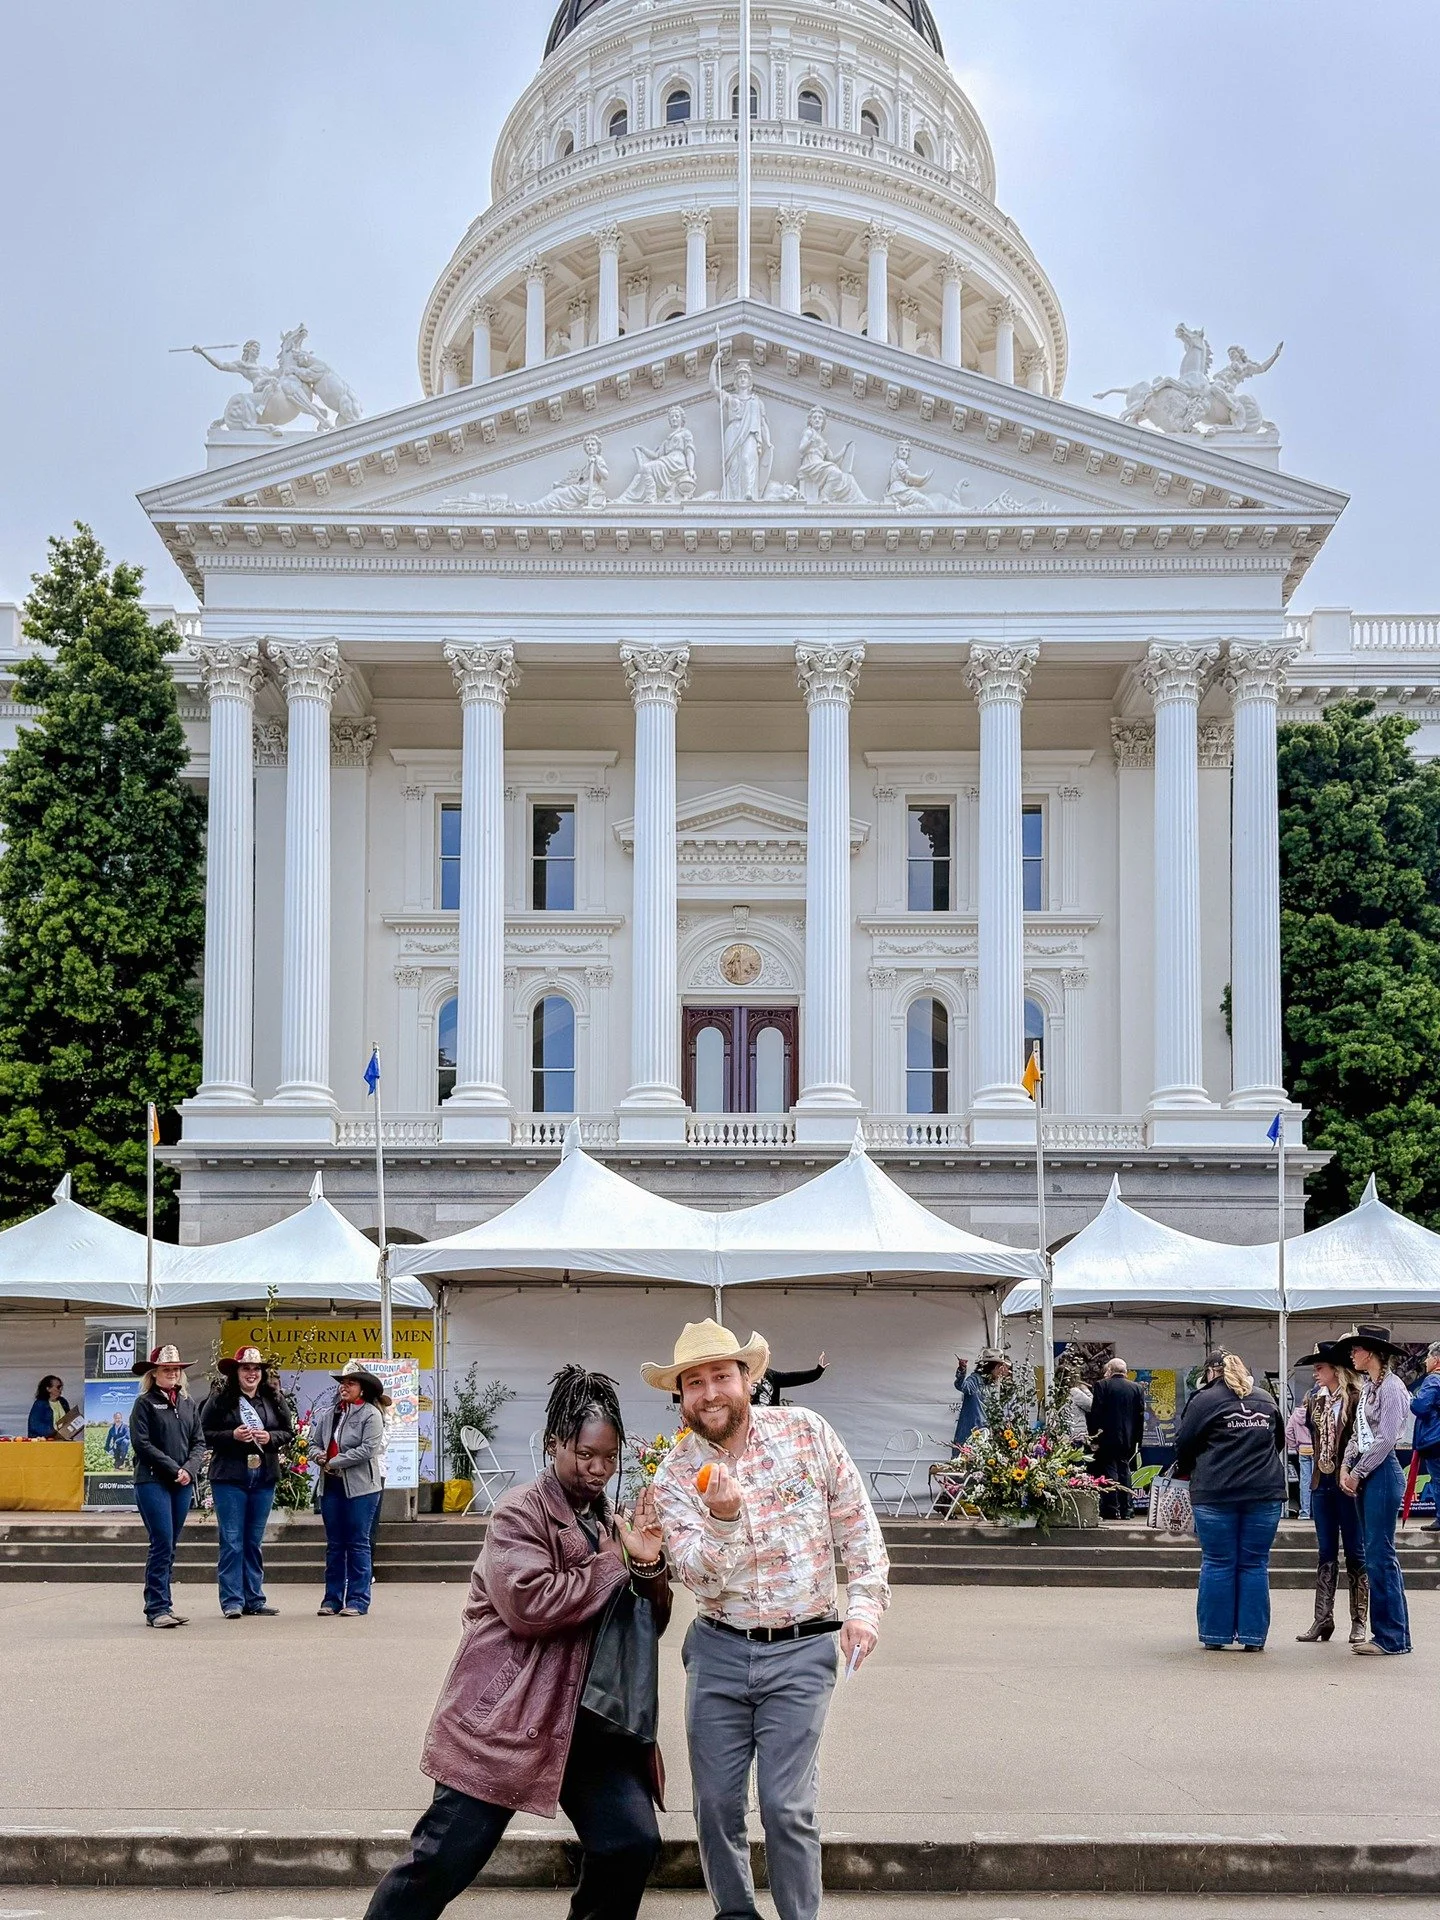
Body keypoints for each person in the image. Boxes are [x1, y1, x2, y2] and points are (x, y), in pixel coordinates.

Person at [362, 1365, 670, 1920]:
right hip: (505, 1719)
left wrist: (648, 1566)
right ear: (555, 1444)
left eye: (609, 1457)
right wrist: (614, 1564)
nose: (598, 1469)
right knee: (439, 1864)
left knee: (630, 1842)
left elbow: (647, 1624)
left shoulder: (607, 1522)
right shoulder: (519, 1512)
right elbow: (531, 1605)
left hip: (589, 1720)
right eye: (585, 1454)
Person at [646, 1319, 890, 1920]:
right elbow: (698, 1579)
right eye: (693, 1382)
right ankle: (734, 1914)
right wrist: (724, 1519)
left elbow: (858, 1529)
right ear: (680, 1395)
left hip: (804, 1647)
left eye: (720, 1376)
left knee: (786, 1808)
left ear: (748, 1378)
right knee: (716, 1806)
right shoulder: (675, 1475)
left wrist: (863, 1610)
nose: (708, 1393)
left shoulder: (807, 1433)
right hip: (718, 1651)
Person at [1174, 1350, 1284, 1651]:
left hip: (1215, 1492)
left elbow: (1183, 1445)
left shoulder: (1204, 1400)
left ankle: (1215, 1636)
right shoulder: (1265, 1399)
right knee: (1255, 1564)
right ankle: (1252, 1637)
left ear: (1211, 1372)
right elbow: (1279, 1443)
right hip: (1264, 1492)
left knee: (1218, 1562)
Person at [201, 1345, 294, 1620]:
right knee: (232, 1541)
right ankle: (232, 1600)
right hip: (230, 1476)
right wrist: (232, 1436)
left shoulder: (273, 1398)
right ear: (236, 1372)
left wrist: (270, 1438)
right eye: (246, 1368)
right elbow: (203, 1434)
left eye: (256, 1369)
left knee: (253, 1541)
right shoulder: (220, 1399)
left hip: (263, 1475)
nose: (252, 1373)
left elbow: (287, 1431)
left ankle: (254, 1598)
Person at [1337, 1324, 1413, 1656]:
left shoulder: (1392, 1389)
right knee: (1376, 1555)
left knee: (1380, 1555)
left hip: (1381, 1473)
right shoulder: (1370, 1387)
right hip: (1368, 1471)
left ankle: (1391, 1637)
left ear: (1371, 1353)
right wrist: (1345, 1464)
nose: (1352, 1354)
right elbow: (1359, 1431)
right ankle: (1392, 1634)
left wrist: (1357, 1471)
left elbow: (1386, 1439)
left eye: (1356, 1349)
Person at [1294, 1341, 1367, 1646]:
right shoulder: (1314, 1400)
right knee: (1326, 1551)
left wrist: (1353, 1473)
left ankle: (1359, 1620)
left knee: (1355, 1550)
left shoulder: (1355, 1397)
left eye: (1320, 1368)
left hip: (1348, 1482)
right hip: (1322, 1482)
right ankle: (1322, 1618)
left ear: (1336, 1369)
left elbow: (1363, 1439)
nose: (1315, 1374)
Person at [128, 1344, 205, 1629]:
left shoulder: (187, 1403)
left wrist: (190, 1469)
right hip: (152, 1480)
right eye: (166, 1369)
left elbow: (199, 1441)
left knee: (170, 1544)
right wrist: (175, 1468)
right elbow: (142, 1444)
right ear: (155, 1373)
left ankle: (164, 1603)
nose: (172, 1373)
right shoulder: (145, 1403)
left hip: (182, 1482)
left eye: (176, 1369)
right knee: (161, 1541)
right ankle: (156, 1607)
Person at [310, 1361, 388, 1617]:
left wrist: (334, 1461)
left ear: (362, 1389)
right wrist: (319, 1456)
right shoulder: (329, 1413)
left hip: (362, 1488)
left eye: (350, 1383)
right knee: (334, 1544)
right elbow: (312, 1443)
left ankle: (357, 1600)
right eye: (343, 1383)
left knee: (358, 1543)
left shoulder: (371, 1415)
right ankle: (331, 1599)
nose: (344, 1387)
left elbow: (368, 1450)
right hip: (331, 1484)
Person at [1087, 1358, 1146, 1521]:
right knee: (1125, 1470)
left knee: (1109, 1471)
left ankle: (1112, 1509)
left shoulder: (1101, 1386)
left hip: (1106, 1437)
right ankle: (1127, 1509)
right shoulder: (1137, 1388)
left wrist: (1094, 1438)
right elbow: (1140, 1417)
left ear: (1110, 1370)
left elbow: (1096, 1414)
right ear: (1125, 1371)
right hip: (1128, 1437)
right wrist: (1137, 1441)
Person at [1408, 1340, 1440, 1533]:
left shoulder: (1433, 1380)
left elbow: (1421, 1407)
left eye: (1428, 1356)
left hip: (1434, 1437)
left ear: (1437, 1359)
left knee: (1438, 1480)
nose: (1425, 1360)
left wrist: (1411, 1399)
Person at [952, 1347, 1008, 1452]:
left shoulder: (990, 1384)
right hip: (971, 1433)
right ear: (993, 1367)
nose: (1003, 1370)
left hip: (984, 1434)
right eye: (1000, 1366)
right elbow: (962, 1386)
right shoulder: (976, 1380)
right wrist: (962, 1371)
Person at [751, 1352, 827, 1408]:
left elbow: (794, 1378)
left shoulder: (770, 1375)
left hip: (769, 1422)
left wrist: (818, 1371)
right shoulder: (743, 1376)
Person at [1284, 1395, 1314, 1519]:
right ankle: (1316, 1511)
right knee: (1317, 1482)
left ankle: (1305, 1512)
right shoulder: (1316, 1412)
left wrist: (1295, 1445)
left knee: (1305, 1481)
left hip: (1303, 1449)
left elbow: (1288, 1432)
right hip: (1316, 1449)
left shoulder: (1295, 1415)